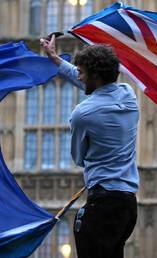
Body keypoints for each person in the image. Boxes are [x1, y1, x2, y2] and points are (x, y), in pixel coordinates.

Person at [40, 34, 139, 258]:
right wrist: (55, 59)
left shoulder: (82, 114)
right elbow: (97, 86)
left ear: (94, 76)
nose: (80, 78)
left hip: (102, 205)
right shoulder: (129, 95)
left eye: (82, 72)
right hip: (127, 205)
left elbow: (78, 158)